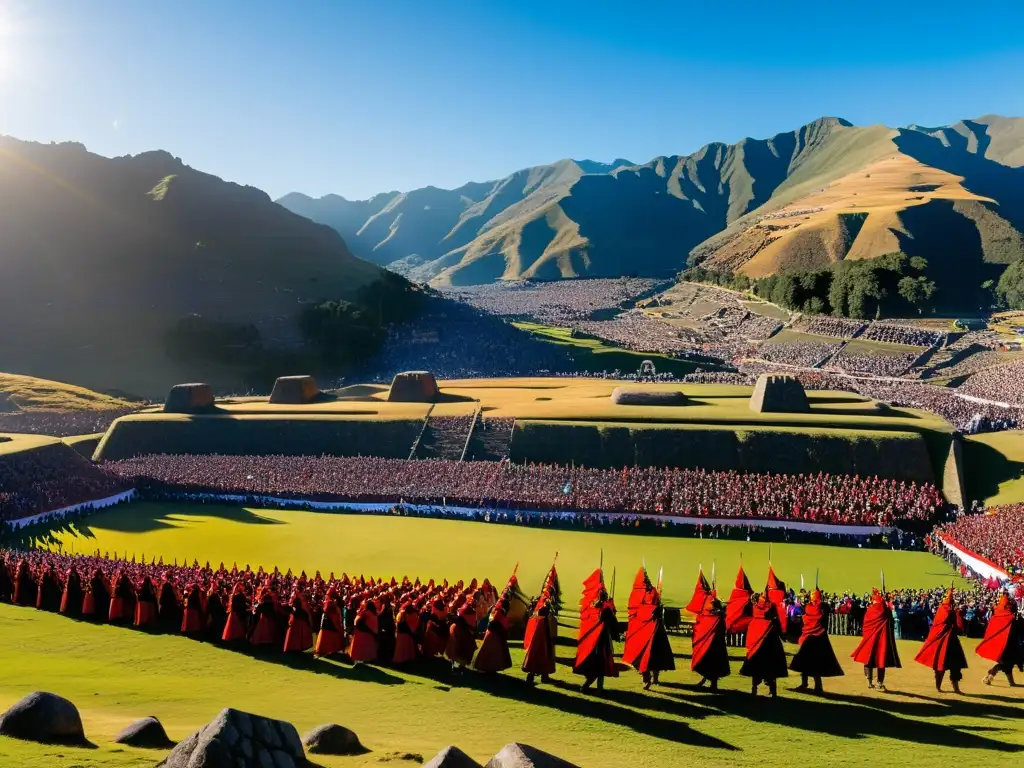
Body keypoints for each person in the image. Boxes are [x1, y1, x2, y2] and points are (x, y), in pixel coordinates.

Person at [789, 588, 844, 693]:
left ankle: (806, 684)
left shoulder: (809, 607)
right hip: (818, 638)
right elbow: (824, 614)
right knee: (815, 663)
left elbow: (806, 617)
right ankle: (817, 686)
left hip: (808, 638)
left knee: (805, 661)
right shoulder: (821, 607)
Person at [622, 581, 674, 690]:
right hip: (643, 631)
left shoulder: (655, 595)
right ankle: (646, 678)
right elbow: (636, 612)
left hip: (657, 632)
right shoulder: (638, 597)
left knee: (656, 656)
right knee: (641, 656)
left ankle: (655, 677)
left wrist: (658, 610)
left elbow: (659, 614)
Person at [914, 586, 967, 693]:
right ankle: (944, 686)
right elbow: (951, 624)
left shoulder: (943, 609)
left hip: (950, 640)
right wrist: (956, 614)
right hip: (947, 640)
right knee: (944, 664)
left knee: (951, 665)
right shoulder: (947, 610)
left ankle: (951, 687)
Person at [851, 588, 901, 691]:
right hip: (882, 641)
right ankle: (879, 682)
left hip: (870, 640)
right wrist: (887, 603)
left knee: (869, 659)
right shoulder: (885, 611)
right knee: (881, 661)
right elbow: (890, 620)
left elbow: (865, 625)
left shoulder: (870, 610)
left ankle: (869, 682)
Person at [740, 593, 789, 697]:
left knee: (755, 666)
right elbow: (779, 620)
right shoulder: (771, 610)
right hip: (771, 642)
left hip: (757, 642)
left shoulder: (754, 609)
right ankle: (773, 691)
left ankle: (754, 690)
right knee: (771, 666)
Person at [574, 591, 618, 692]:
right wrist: (612, 609)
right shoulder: (606, 609)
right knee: (601, 664)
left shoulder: (594, 606)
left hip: (594, 638)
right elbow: (614, 621)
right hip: (602, 639)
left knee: (597, 664)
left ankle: (598, 687)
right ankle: (589, 686)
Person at [978, 593, 1022, 686]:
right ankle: (991, 674)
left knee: (1008, 663)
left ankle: (1010, 681)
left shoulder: (1000, 617)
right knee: (1007, 663)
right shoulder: (1010, 619)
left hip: (1009, 643)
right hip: (1007, 644)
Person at [691, 591, 730, 692]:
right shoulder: (709, 616)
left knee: (714, 664)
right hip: (710, 645)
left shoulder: (719, 617)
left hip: (716, 645)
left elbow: (722, 629)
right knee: (708, 663)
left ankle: (712, 684)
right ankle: (708, 682)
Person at [522, 595, 557, 685]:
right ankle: (538, 676)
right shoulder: (544, 610)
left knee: (541, 655)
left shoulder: (541, 610)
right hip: (542, 637)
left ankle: (542, 676)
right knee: (541, 655)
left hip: (542, 636)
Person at [474, 595, 513, 673]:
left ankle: (489, 668)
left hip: (493, 633)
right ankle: (490, 668)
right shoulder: (499, 612)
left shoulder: (497, 611)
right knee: (492, 652)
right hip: (494, 634)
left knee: (490, 651)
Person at [446, 599, 478, 673]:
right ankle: (459, 664)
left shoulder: (467, 610)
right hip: (461, 633)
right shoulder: (468, 610)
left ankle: (457, 664)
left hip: (461, 631)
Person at [314, 587, 346, 658]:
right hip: (332, 620)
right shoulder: (335, 602)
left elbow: (336, 610)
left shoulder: (330, 602)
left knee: (326, 634)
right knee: (331, 633)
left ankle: (325, 650)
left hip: (329, 620)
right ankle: (332, 649)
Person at [283, 589, 314, 654]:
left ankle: (292, 648)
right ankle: (297, 648)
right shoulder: (301, 609)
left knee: (293, 636)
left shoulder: (294, 608)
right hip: (299, 624)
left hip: (295, 623)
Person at [349, 599, 380, 664]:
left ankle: (359, 662)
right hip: (370, 635)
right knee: (367, 649)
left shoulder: (366, 612)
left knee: (360, 649)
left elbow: (356, 621)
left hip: (362, 634)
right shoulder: (374, 614)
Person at [392, 599, 420, 665]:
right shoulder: (414, 614)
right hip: (409, 634)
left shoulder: (402, 613)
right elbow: (416, 623)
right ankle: (406, 662)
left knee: (400, 649)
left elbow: (397, 621)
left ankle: (398, 662)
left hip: (401, 633)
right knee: (407, 648)